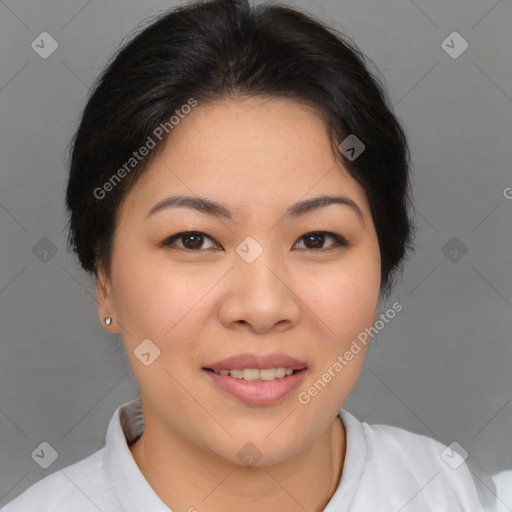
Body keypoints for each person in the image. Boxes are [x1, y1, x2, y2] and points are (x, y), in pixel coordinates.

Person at [1, 0, 496, 510]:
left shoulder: (459, 496)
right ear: (103, 277)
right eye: (193, 240)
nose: (262, 307)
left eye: (316, 239)